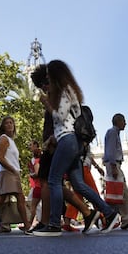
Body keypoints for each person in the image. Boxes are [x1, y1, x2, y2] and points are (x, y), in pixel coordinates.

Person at [34, 60, 119, 236]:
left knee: (53, 180)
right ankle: (108, 214)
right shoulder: (66, 91)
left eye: (49, 76)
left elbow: (60, 115)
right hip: (69, 141)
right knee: (78, 184)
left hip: (67, 140)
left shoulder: (65, 91)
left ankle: (54, 224)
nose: (47, 80)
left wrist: (46, 103)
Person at [103, 113, 128, 230]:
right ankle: (124, 219)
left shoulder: (113, 133)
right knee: (121, 193)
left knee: (119, 193)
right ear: (118, 121)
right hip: (114, 165)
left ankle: (123, 219)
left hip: (115, 164)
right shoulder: (112, 132)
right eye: (124, 121)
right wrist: (113, 167)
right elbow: (110, 151)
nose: (125, 123)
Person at [27, 140, 42, 225]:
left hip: (37, 185)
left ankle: (29, 224)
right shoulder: (36, 160)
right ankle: (41, 221)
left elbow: (37, 173)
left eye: (31, 145)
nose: (29, 147)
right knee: (37, 205)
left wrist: (32, 174)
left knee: (33, 205)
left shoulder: (36, 161)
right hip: (41, 185)